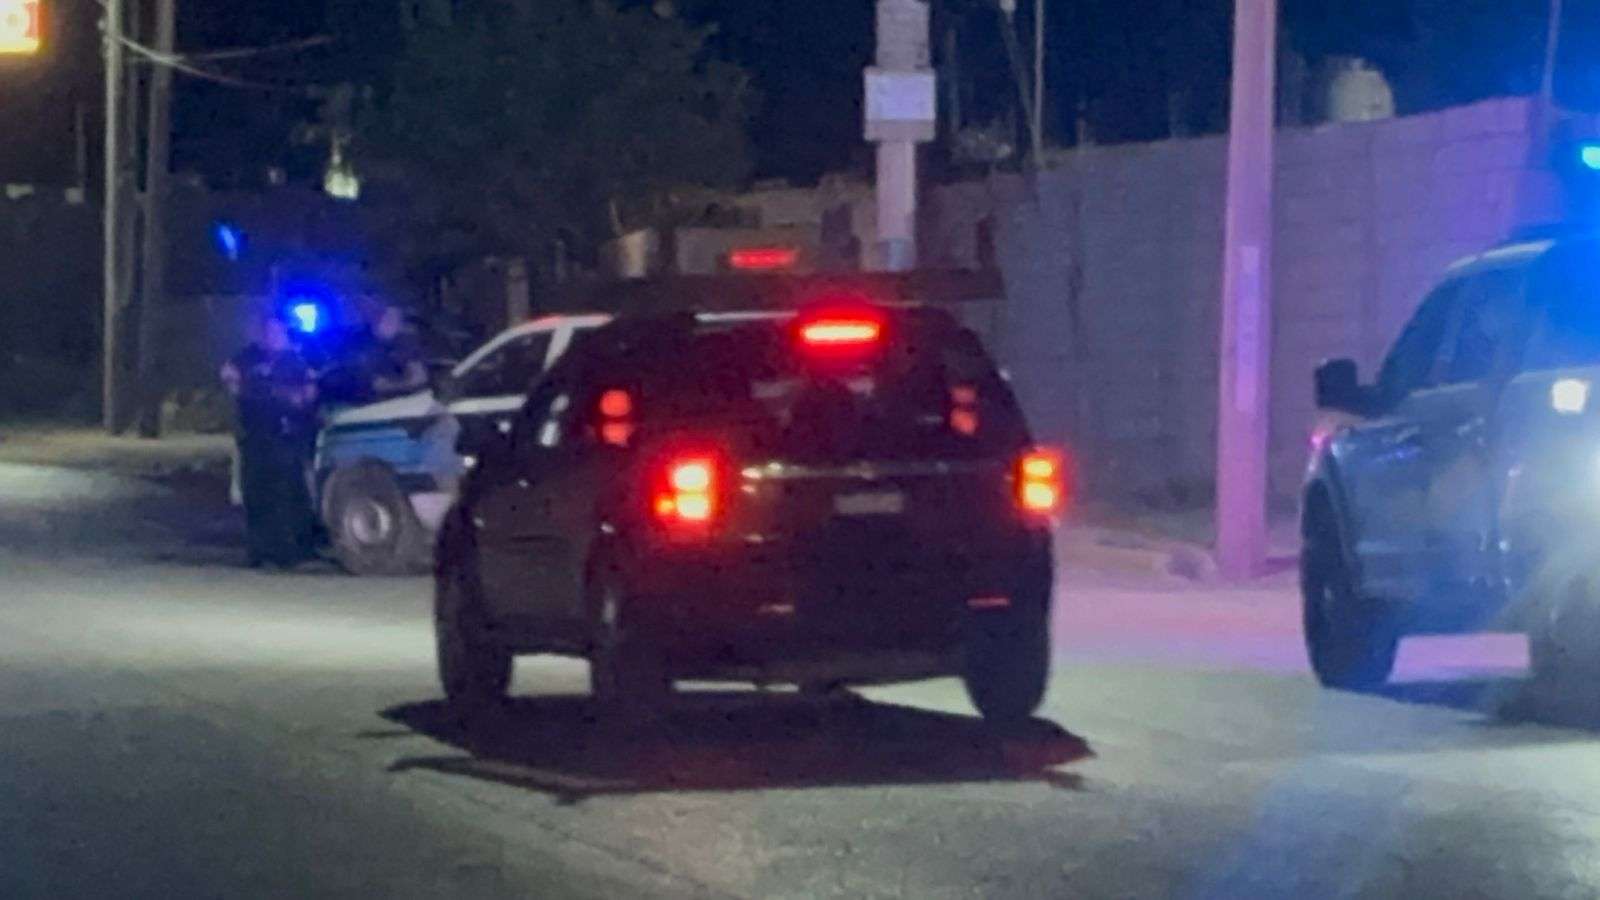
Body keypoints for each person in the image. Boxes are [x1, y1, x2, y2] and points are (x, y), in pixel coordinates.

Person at [221, 314, 320, 568]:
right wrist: (236, 384)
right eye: (266, 331)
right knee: (255, 493)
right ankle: (259, 550)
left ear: (284, 333)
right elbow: (228, 374)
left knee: (285, 494)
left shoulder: (295, 361)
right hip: (254, 436)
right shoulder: (249, 357)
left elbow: (308, 394)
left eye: (275, 332)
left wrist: (295, 400)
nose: (270, 336)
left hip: (284, 437)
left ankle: (289, 551)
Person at [364, 304, 429, 400]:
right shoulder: (375, 353)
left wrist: (390, 385)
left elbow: (419, 379)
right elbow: (377, 386)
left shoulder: (409, 345)